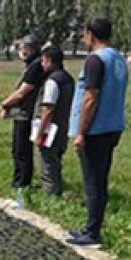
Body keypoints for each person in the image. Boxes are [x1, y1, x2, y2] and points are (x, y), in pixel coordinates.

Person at [67, 17, 128, 246]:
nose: (83, 39)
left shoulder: (95, 60)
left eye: (84, 34)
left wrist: (81, 132)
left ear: (91, 34)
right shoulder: (118, 58)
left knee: (93, 182)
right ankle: (91, 226)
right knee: (100, 180)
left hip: (96, 129)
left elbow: (90, 98)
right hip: (113, 125)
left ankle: (92, 232)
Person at [0, 35, 45, 210]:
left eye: (25, 48)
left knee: (22, 151)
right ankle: (19, 182)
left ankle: (22, 185)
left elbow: (23, 91)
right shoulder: (32, 65)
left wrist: (5, 104)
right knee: (18, 150)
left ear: (32, 49)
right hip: (22, 113)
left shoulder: (35, 66)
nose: (22, 51)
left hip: (26, 114)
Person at [36, 44, 74, 198]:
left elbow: (48, 109)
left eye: (43, 60)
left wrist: (40, 133)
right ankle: (56, 191)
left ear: (50, 61)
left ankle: (51, 197)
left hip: (50, 130)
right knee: (56, 162)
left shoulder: (52, 81)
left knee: (48, 164)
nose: (42, 64)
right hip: (63, 126)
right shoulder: (68, 79)